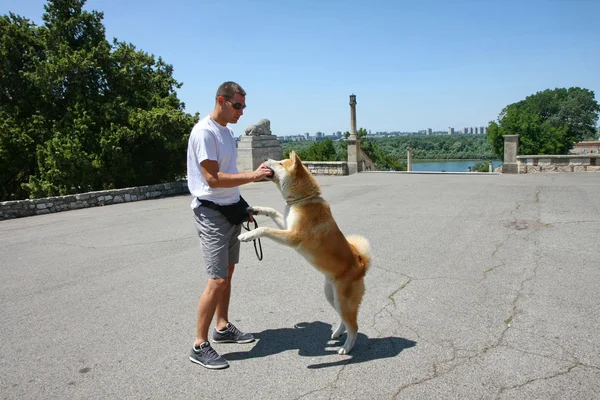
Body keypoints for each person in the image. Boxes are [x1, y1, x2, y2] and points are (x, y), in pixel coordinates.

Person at [186, 81, 272, 369]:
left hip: (230, 209)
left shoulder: (227, 131)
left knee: (229, 272)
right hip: (210, 213)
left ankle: (221, 328)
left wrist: (242, 205)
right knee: (217, 279)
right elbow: (212, 179)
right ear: (221, 100)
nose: (241, 112)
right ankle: (199, 345)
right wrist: (253, 176)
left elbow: (228, 176)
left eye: (244, 107)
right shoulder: (204, 132)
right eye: (237, 106)